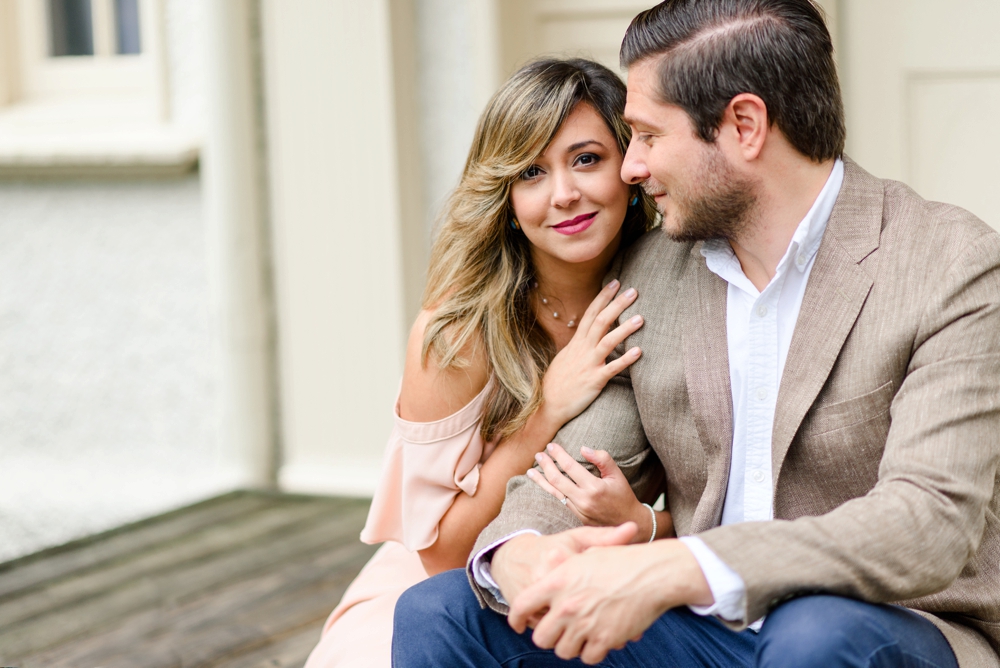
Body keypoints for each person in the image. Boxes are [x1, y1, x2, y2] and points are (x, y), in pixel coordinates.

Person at [392, 1, 1000, 667]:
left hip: (887, 624)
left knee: (815, 637)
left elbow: (929, 523)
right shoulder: (655, 271)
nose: (631, 168)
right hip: (703, 633)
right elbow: (574, 468)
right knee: (442, 612)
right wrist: (520, 552)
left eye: (649, 136)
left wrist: (674, 566)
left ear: (743, 126)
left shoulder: (948, 264)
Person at [303, 58, 664, 668]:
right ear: (505, 194)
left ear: (629, 169)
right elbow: (439, 556)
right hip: (436, 594)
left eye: (586, 159)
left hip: (611, 579)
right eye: (531, 171)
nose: (564, 194)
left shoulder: (678, 288)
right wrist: (545, 409)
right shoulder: (457, 334)